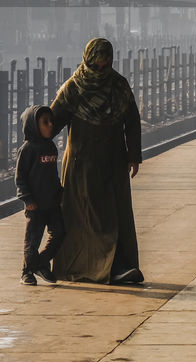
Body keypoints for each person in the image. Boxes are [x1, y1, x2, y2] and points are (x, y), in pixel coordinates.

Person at [50, 37, 143, 286]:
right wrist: (36, 147)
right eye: (97, 66)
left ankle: (117, 266)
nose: (102, 72)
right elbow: (52, 122)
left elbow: (132, 122)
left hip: (114, 160)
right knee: (89, 215)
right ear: (88, 61)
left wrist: (134, 156)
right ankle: (97, 267)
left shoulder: (119, 86)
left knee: (115, 214)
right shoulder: (73, 88)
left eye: (107, 66)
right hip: (81, 164)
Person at [15, 104, 64, 286]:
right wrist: (27, 199)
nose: (51, 125)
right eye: (45, 122)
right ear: (33, 125)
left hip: (51, 203)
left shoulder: (51, 147)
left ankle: (41, 263)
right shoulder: (27, 149)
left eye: (51, 121)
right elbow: (20, 177)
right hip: (34, 205)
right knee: (32, 241)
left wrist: (59, 192)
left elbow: (53, 174)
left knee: (59, 233)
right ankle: (26, 272)